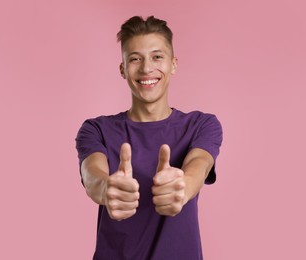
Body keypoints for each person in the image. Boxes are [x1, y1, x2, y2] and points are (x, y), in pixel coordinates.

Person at [75, 15, 223, 260]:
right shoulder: (96, 129)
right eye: (135, 59)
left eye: (157, 57)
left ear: (173, 64)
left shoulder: (202, 125)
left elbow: (200, 165)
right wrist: (106, 188)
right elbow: (92, 174)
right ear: (123, 69)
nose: (146, 68)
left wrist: (183, 186)